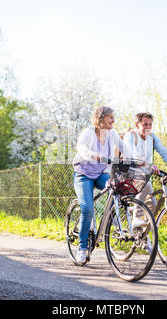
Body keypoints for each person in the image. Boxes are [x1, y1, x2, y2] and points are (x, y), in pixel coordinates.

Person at [72, 106, 128, 265]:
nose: (113, 120)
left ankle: (115, 223)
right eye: (110, 117)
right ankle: (82, 248)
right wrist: (93, 155)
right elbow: (81, 148)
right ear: (101, 118)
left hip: (100, 173)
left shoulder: (111, 133)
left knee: (117, 188)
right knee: (87, 208)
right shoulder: (89, 132)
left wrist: (135, 159)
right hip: (83, 174)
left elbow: (125, 148)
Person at [123, 112, 167, 227]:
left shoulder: (152, 138)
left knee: (153, 206)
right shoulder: (130, 136)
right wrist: (148, 165)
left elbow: (165, 154)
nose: (148, 128)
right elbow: (132, 155)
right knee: (147, 186)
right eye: (145, 124)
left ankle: (143, 238)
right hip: (128, 174)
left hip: (144, 176)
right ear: (137, 124)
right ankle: (136, 218)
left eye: (150, 125)